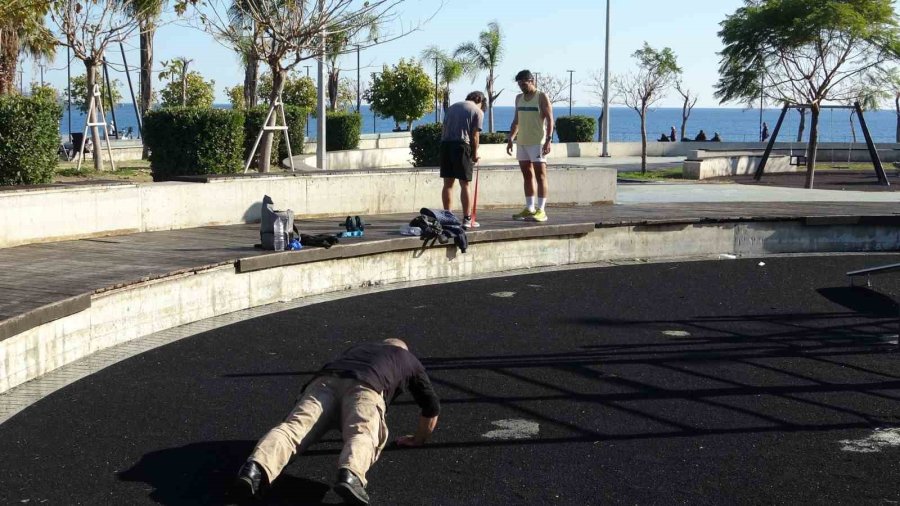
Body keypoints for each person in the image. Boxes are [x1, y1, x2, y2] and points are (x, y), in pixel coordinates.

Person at [234, 338, 440, 505]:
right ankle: (350, 475)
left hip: (324, 383)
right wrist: (418, 439)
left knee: (292, 429)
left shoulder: (359, 348)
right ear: (404, 350)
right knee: (363, 433)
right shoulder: (408, 359)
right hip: (367, 388)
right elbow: (431, 407)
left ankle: (256, 469)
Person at [506, 69, 554, 222]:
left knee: (540, 176)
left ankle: (541, 210)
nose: (521, 86)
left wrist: (548, 140)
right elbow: (516, 120)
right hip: (522, 143)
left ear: (531, 81)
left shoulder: (541, 97)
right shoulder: (518, 98)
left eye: (524, 83)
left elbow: (550, 119)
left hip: (537, 142)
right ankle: (530, 207)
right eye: (519, 84)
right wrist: (511, 138)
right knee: (527, 175)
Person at [440, 91, 486, 230]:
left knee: (448, 184)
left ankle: (447, 217)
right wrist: (474, 153)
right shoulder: (477, 111)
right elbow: (475, 135)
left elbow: (444, 128)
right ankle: (467, 219)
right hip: (461, 146)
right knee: (465, 184)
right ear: (479, 100)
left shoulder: (452, 107)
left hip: (445, 145)